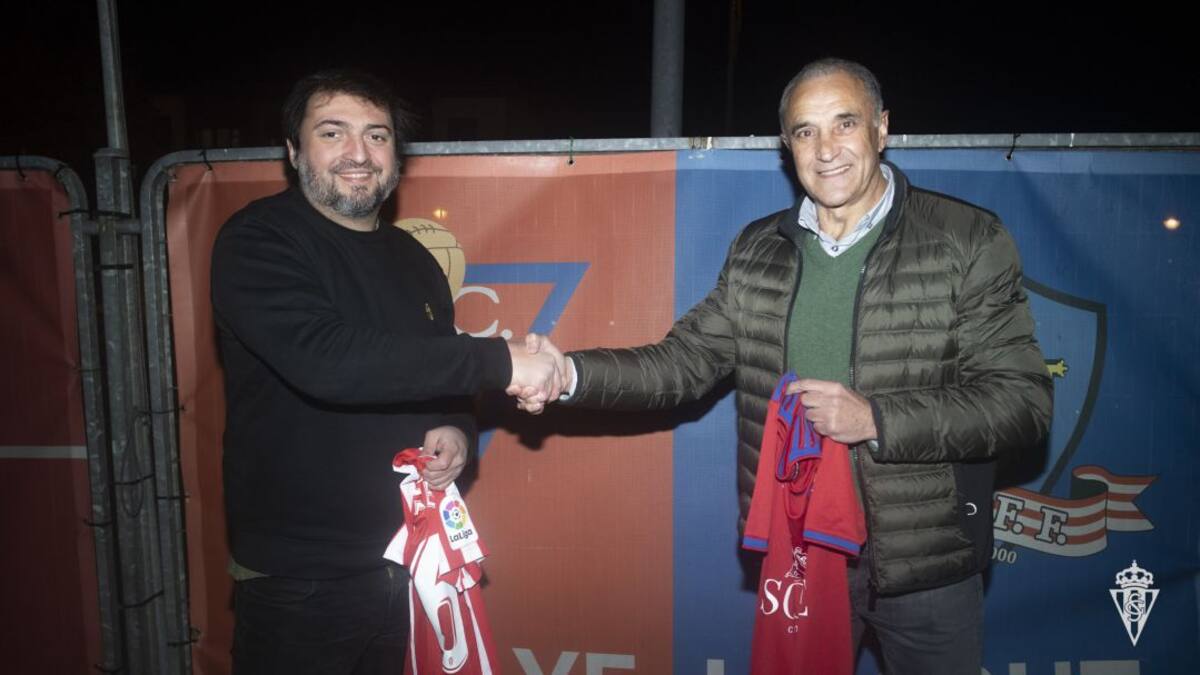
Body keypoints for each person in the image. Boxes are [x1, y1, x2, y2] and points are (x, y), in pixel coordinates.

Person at [522, 58, 1052, 673]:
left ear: (881, 128)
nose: (826, 150)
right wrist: (568, 374)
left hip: (927, 564)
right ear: (786, 144)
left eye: (844, 123)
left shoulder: (967, 238)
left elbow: (1022, 403)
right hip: (800, 551)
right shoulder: (758, 249)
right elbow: (683, 362)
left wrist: (875, 418)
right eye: (805, 131)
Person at [210, 69, 564, 674]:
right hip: (301, 578)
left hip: (413, 559)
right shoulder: (259, 239)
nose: (358, 153)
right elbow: (328, 360)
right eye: (332, 133)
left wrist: (456, 428)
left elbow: (435, 368)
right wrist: (501, 360)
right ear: (293, 151)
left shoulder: (415, 259)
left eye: (377, 136)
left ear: (396, 155)